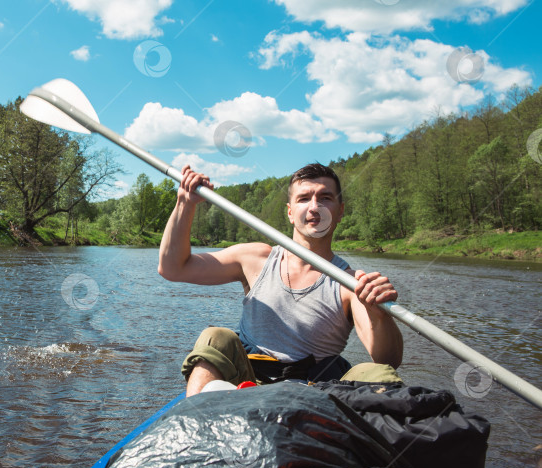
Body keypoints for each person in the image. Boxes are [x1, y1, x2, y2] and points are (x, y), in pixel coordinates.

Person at [158, 163, 404, 396]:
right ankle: (197, 423)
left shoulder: (352, 284)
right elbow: (173, 268)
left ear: (340, 211)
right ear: (290, 212)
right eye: (304, 198)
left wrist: (380, 315)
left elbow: (387, 360)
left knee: (378, 374)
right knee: (215, 337)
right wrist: (185, 203)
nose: (314, 206)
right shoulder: (255, 258)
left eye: (325, 198)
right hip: (247, 382)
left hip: (314, 393)